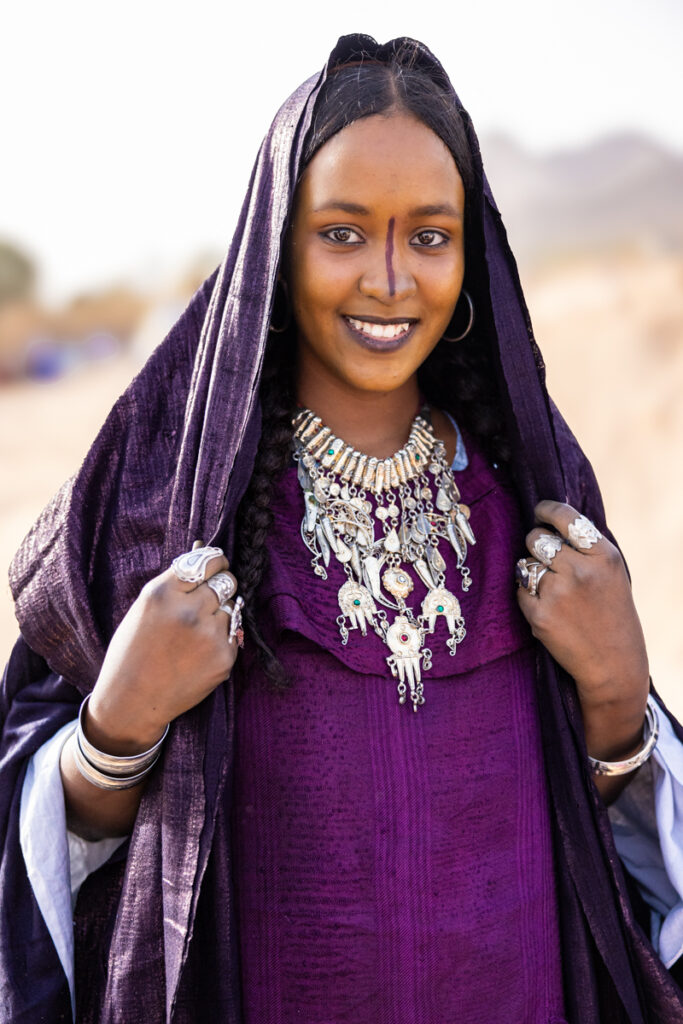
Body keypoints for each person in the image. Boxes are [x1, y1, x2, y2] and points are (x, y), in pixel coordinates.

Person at [2, 33, 683, 1024]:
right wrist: (118, 728)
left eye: (429, 236)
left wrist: (618, 695)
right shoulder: (164, 504)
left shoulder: (538, 497)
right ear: (276, 243)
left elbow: (620, 845)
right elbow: (53, 845)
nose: (389, 279)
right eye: (342, 232)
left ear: (470, 255)